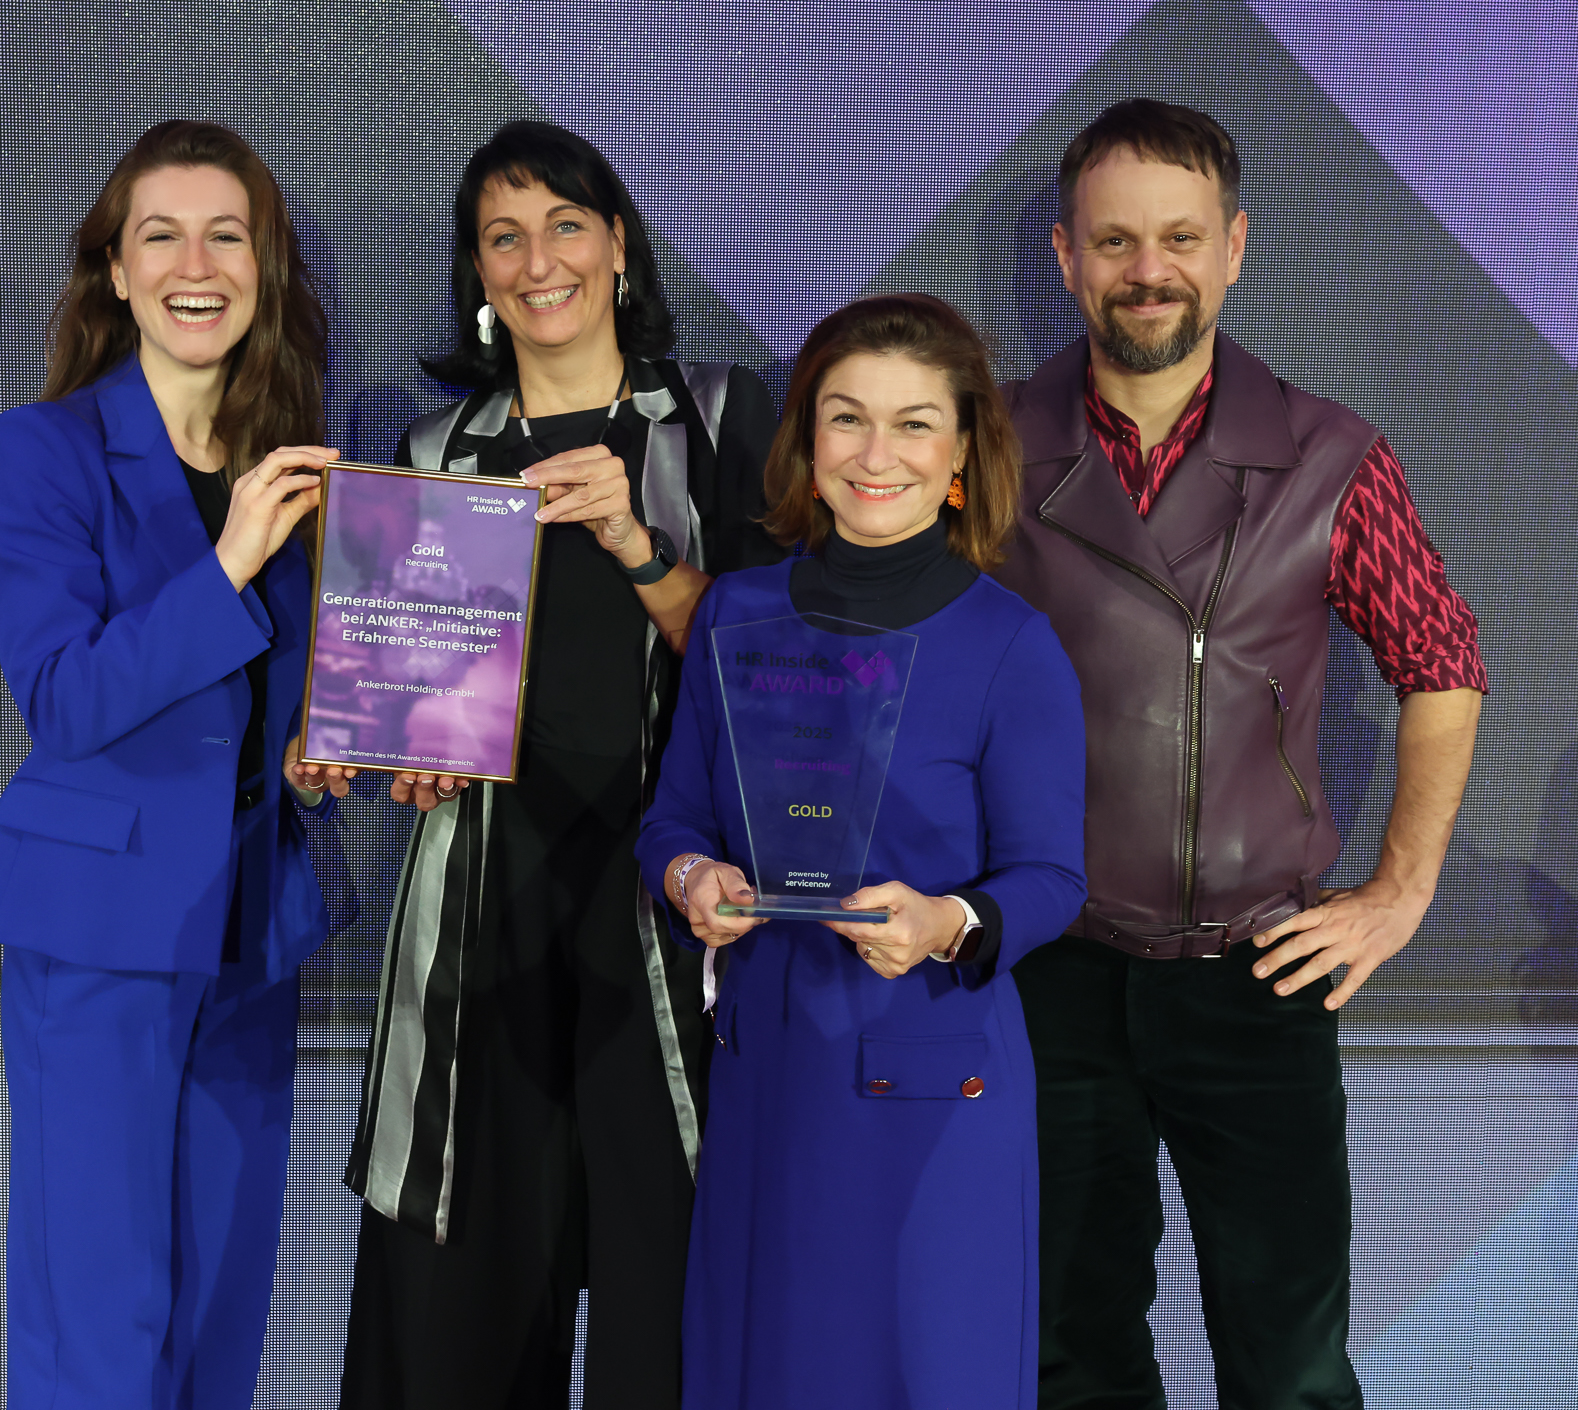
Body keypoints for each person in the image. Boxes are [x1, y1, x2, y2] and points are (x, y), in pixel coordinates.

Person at [997, 98, 1488, 1408]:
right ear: (1066, 258)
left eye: (1178, 237)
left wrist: (1401, 892)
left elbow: (1442, 662)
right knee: (1066, 1352)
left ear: (1233, 248)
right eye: (1114, 240)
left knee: (1290, 1368)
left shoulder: (1333, 457)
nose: (1146, 269)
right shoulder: (982, 448)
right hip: (1051, 972)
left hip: (1260, 972)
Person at [340, 118, 786, 1409]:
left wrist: (639, 545)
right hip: (483, 910)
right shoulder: (433, 453)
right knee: (463, 1295)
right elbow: (404, 697)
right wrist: (400, 756)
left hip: (666, 897)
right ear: (478, 273)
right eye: (504, 237)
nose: (539, 261)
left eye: (566, 225)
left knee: (668, 1273)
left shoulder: (715, 416)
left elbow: (771, 672)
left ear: (619, 244)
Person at [0, 119, 359, 1410]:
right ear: (115, 271)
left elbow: (253, 710)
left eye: (226, 235)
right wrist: (229, 560)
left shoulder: (289, 466)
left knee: (220, 1309)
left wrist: (315, 752)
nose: (196, 263)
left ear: (263, 266)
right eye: (161, 235)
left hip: (252, 924)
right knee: (101, 1322)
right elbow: (66, 699)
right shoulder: (42, 450)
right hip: (98, 933)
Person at [637, 293, 1090, 1409]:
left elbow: (1051, 878)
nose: (875, 453)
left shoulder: (1012, 644)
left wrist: (946, 923)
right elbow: (673, 820)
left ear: (962, 453)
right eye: (847, 418)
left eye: (913, 424)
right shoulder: (734, 615)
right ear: (808, 440)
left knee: (923, 1375)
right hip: (768, 1070)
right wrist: (692, 879)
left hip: (932, 1078)